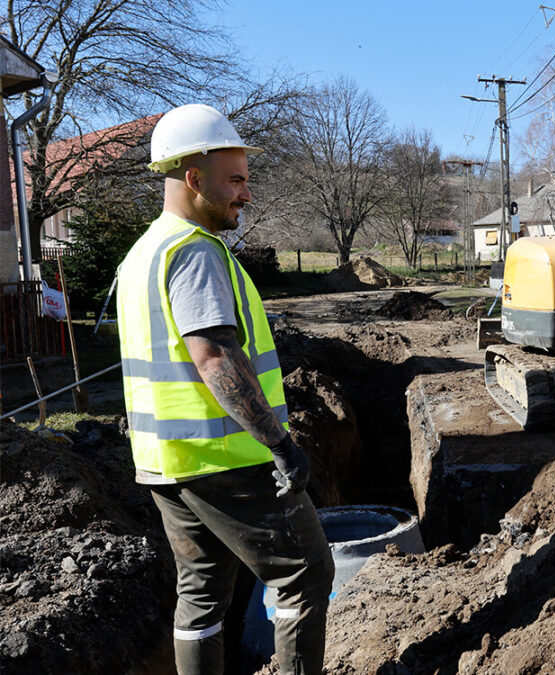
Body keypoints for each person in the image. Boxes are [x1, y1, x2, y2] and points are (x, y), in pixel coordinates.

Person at [116, 104, 334, 674]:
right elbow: (212, 356)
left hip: (168, 460)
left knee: (203, 592)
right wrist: (281, 445)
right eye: (236, 180)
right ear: (194, 178)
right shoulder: (194, 252)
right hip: (227, 460)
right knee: (304, 573)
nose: (247, 195)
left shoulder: (145, 252)